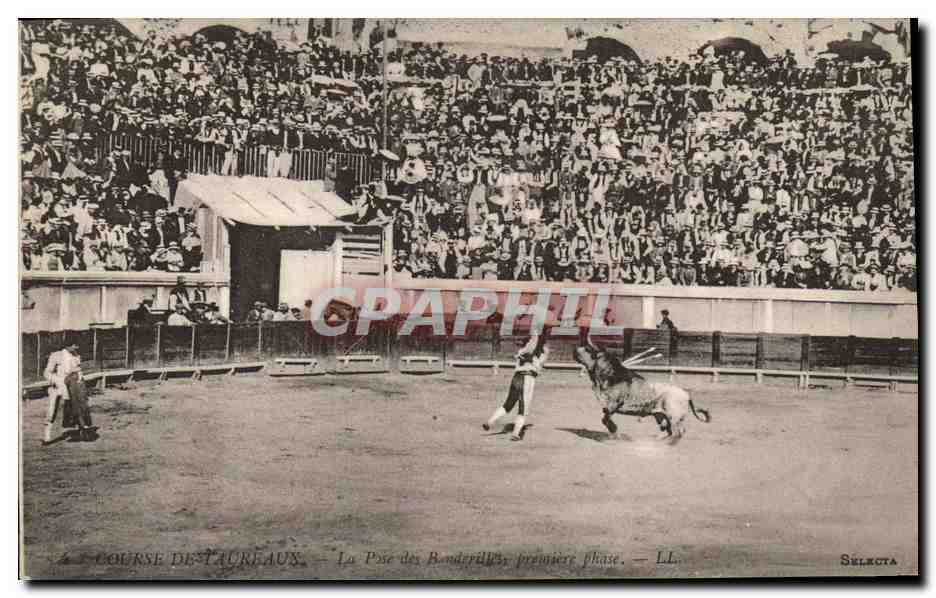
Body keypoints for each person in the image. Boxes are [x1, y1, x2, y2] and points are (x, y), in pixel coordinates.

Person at [482, 331, 549, 441]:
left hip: (516, 378)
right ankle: (516, 433)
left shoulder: (522, 351)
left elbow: (533, 347)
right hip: (527, 378)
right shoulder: (540, 352)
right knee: (523, 409)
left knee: (508, 404)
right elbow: (539, 353)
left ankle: (490, 421)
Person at [42, 342, 94, 444]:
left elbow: (79, 371)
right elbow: (47, 372)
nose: (76, 347)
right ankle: (46, 436)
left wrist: (79, 381)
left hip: (73, 386)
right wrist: (57, 381)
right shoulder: (56, 355)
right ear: (68, 345)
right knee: (52, 409)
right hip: (58, 385)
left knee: (77, 406)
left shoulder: (76, 355)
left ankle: (82, 431)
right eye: (74, 345)